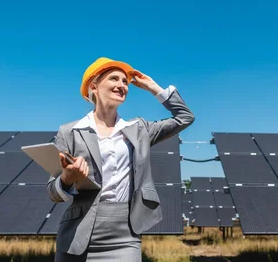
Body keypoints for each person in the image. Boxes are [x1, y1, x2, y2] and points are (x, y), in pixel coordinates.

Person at [47, 57, 194, 261]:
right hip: (78, 233)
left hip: (125, 233)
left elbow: (184, 117)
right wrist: (67, 179)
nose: (122, 85)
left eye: (125, 82)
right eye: (114, 79)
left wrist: (153, 88)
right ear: (94, 86)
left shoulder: (139, 129)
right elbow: (53, 192)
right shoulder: (70, 131)